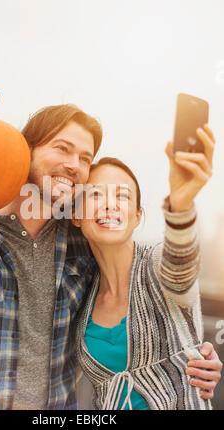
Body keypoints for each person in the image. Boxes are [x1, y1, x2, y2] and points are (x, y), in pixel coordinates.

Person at [0, 105, 221, 409]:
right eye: (62, 149)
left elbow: (167, 271)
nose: (73, 165)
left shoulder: (81, 241)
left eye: (84, 158)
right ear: (25, 152)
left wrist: (193, 352)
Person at [73, 125, 221, 409]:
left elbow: (180, 263)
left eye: (123, 196)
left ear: (138, 216)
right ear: (76, 216)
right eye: (95, 195)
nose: (110, 205)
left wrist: (181, 201)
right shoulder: (80, 295)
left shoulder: (156, 265)